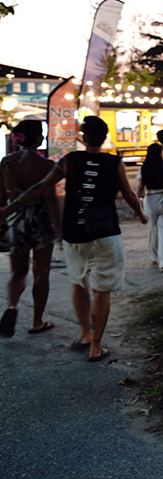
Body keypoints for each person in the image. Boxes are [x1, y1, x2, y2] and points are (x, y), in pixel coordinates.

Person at [0, 116, 148, 360]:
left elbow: (41, 188)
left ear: (83, 136)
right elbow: (129, 194)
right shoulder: (114, 163)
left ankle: (82, 334)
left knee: (78, 283)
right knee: (98, 289)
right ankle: (95, 346)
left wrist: (10, 208)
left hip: (70, 233)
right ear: (105, 136)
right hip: (104, 231)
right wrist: (140, 214)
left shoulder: (67, 161)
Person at [0, 120, 60, 337]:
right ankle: (37, 321)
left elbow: (2, 196)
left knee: (18, 272)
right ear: (37, 139)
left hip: (15, 220)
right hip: (40, 221)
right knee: (41, 272)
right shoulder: (47, 166)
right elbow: (52, 201)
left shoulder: (7, 162)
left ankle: (12, 306)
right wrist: (60, 230)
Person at [136, 143, 163, 272]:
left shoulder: (144, 167)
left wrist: (138, 201)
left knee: (152, 229)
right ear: (160, 153)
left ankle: (154, 256)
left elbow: (140, 187)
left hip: (150, 199)